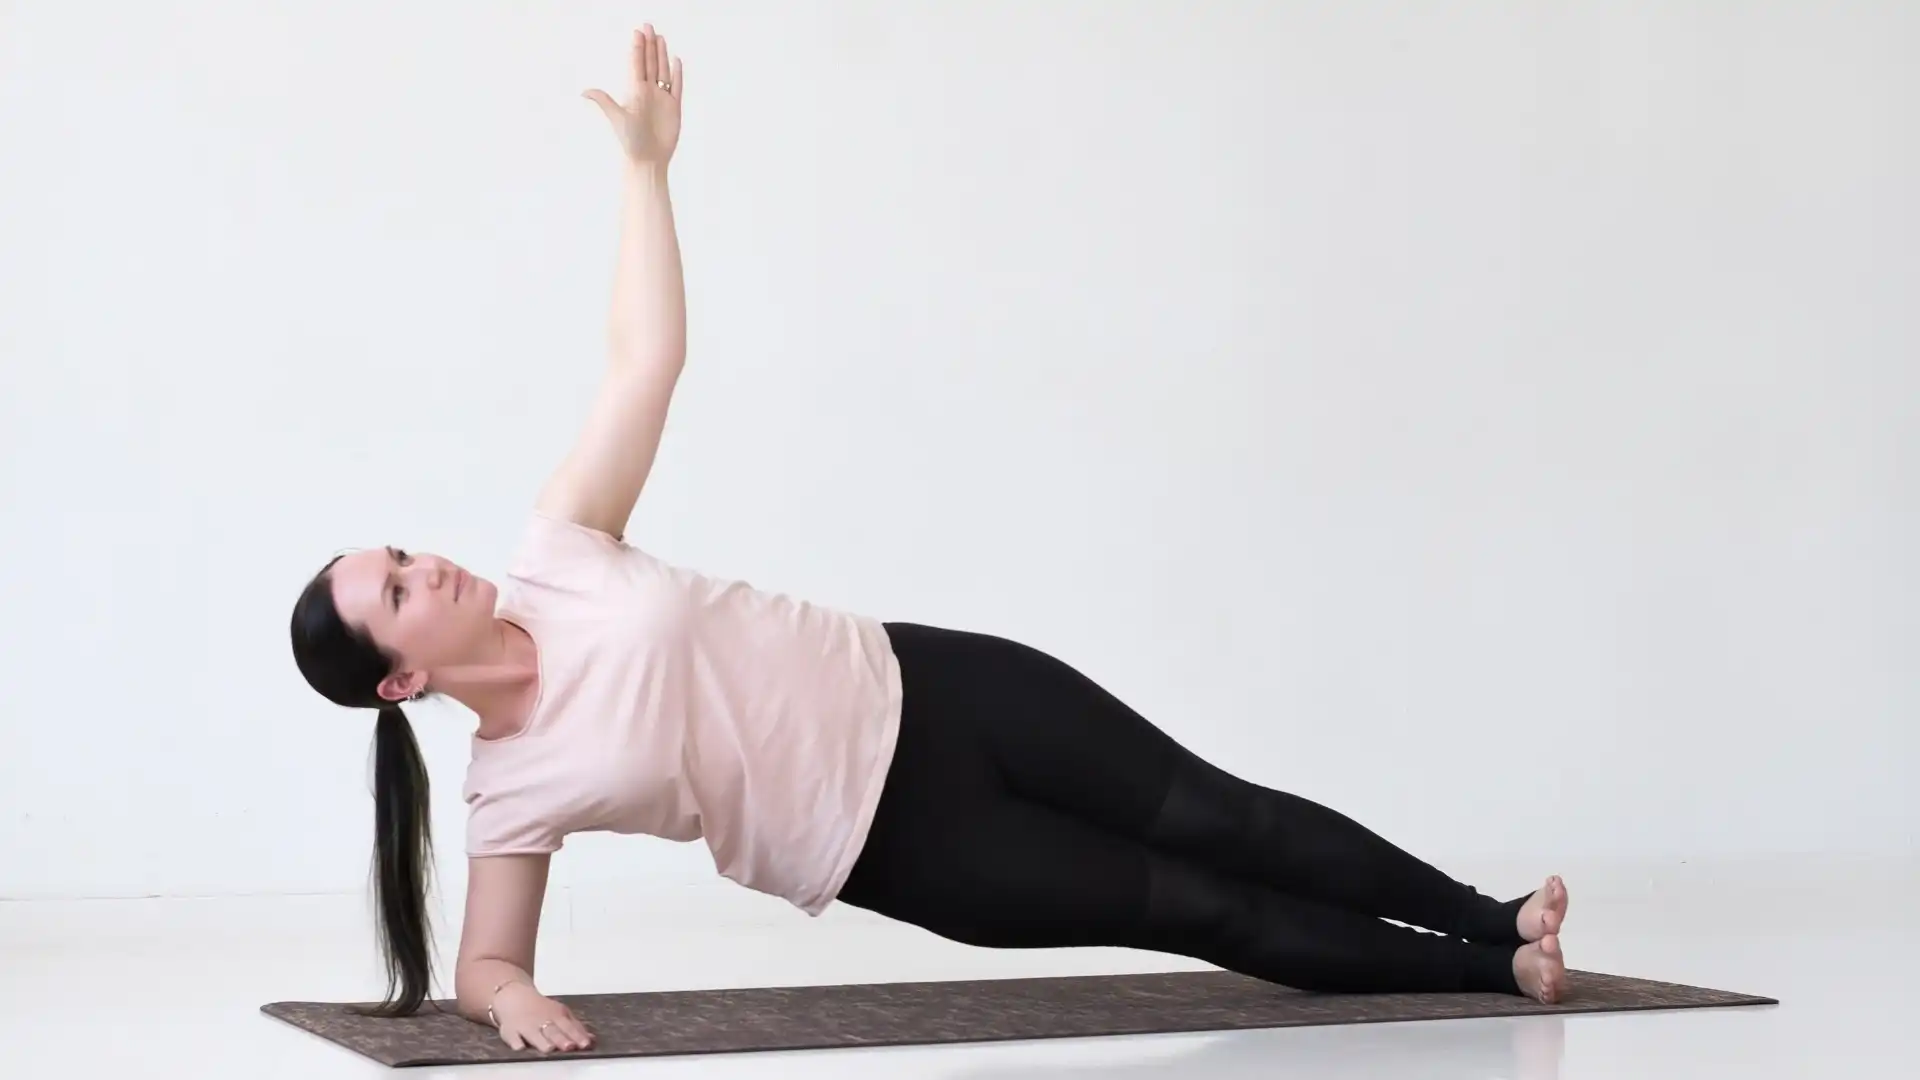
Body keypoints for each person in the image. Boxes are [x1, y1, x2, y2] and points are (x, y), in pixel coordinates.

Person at [289, 25, 1570, 1057]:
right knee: (1204, 907)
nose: (428, 566)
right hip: (906, 847)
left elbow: (648, 360)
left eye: (402, 553)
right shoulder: (506, 792)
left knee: (1227, 816)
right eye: (397, 591)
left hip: (935, 682)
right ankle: (1500, 975)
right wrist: (505, 1001)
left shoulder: (557, 550)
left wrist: (645, 173)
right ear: (400, 678)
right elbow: (486, 967)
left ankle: (1489, 914)